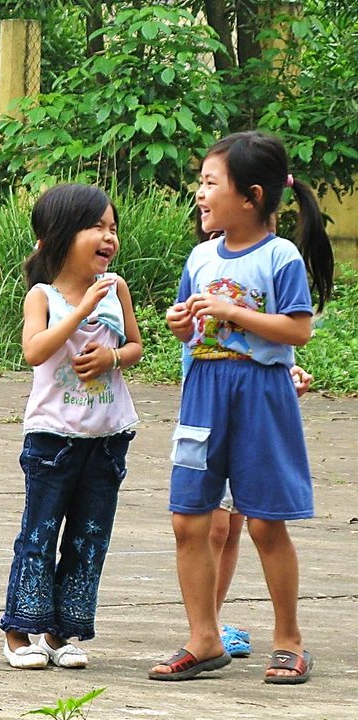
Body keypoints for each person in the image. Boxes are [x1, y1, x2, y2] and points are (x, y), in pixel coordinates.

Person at [151, 130, 333, 683]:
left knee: (264, 524)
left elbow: (296, 329)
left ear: (251, 196)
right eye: (200, 183)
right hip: (203, 391)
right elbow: (188, 323)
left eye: (210, 183)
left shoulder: (280, 257)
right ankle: (203, 638)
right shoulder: (201, 256)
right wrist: (181, 323)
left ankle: (288, 639)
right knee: (189, 519)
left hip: (261, 394)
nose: (200, 193)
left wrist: (234, 312)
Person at [0, 183, 141, 670]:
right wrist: (81, 310)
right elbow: (35, 351)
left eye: (112, 228)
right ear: (60, 236)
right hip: (52, 439)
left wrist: (112, 357)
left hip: (108, 437)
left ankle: (63, 633)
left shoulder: (117, 287)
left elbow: (136, 349)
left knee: (89, 535)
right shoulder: (42, 295)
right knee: (39, 533)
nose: (109, 237)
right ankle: (20, 630)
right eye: (96, 227)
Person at [211, 365, 312, 659]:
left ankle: (287, 637)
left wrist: (285, 379)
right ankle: (206, 628)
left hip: (258, 415)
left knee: (252, 526)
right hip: (211, 409)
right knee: (213, 528)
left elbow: (282, 341)